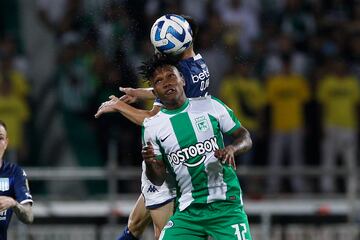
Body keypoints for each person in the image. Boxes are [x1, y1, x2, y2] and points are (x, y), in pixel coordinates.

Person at [95, 15, 211, 240]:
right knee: (135, 224)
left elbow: (152, 119)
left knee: (163, 234)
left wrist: (118, 105)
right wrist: (140, 93)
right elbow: (181, 88)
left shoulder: (181, 71)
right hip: (179, 153)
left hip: (166, 162)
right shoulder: (198, 63)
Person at [140, 55, 253, 239]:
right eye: (159, 81)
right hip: (188, 211)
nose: (167, 83)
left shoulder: (211, 105)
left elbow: (245, 137)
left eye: (171, 76)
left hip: (225, 206)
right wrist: (151, 164)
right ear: (155, 92)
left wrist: (233, 148)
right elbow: (158, 178)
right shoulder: (151, 127)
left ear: (182, 79)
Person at [0, 120, 34, 239]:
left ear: (6, 143)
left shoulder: (14, 173)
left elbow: (29, 216)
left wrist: (13, 203)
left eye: (0, 138)